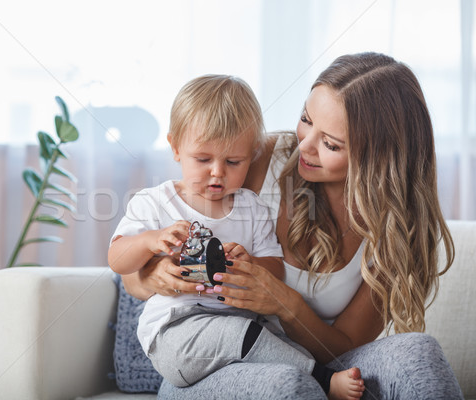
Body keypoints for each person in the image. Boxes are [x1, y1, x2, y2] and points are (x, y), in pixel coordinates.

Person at [122, 53, 463, 399]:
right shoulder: (258, 159)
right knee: (289, 385)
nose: (305, 144)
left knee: (419, 354)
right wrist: (157, 275)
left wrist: (284, 304)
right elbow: (134, 269)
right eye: (306, 119)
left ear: (379, 156)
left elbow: (340, 350)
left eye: (330, 144)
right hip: (209, 363)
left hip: (318, 364)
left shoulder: (396, 229)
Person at [109, 74, 365, 399]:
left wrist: (252, 263)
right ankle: (323, 380)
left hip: (243, 332)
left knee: (267, 335)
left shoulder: (251, 207)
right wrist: (149, 242)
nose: (217, 172)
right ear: (175, 148)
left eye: (233, 162)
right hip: (177, 331)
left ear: (253, 154)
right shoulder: (156, 202)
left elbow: (276, 267)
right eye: (203, 159)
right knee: (241, 333)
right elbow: (117, 259)